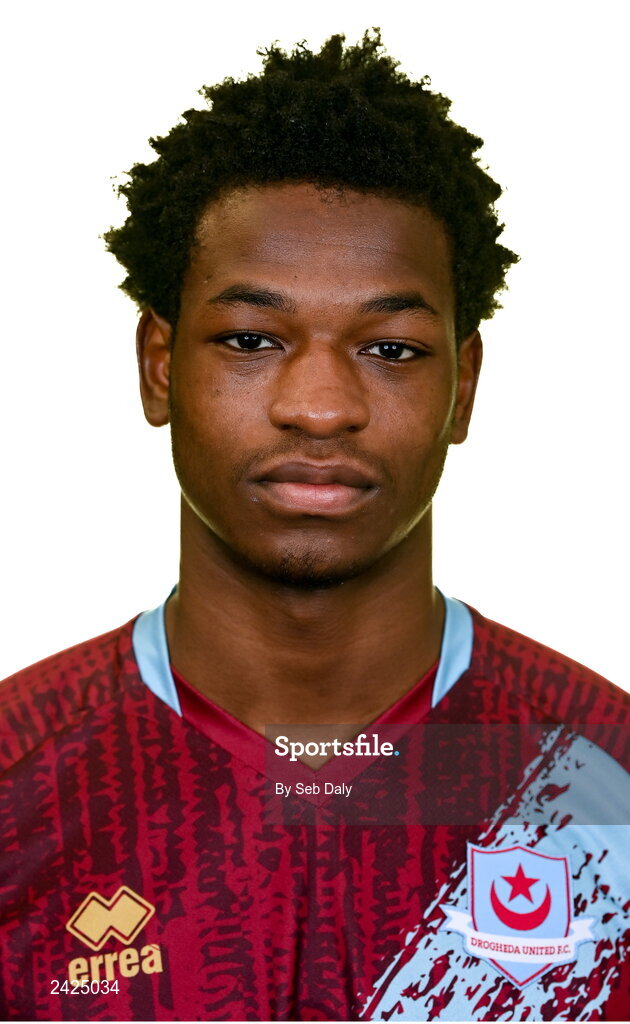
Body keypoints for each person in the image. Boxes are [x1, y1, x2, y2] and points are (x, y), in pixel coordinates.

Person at [0, 31, 627, 1023]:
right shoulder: (17, 779)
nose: (322, 405)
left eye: (390, 346)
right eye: (252, 340)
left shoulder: (603, 783)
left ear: (465, 385)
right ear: (159, 364)